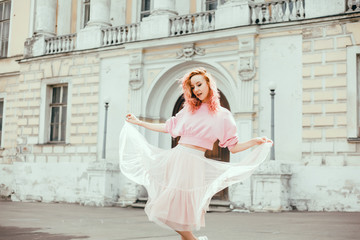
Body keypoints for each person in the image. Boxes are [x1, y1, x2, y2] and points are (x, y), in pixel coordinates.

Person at [119, 67, 272, 240]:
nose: (196, 90)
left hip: (194, 164)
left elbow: (233, 147)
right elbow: (168, 127)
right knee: (169, 211)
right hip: (177, 158)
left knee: (176, 214)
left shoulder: (223, 116)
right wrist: (139, 123)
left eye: (199, 84)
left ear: (209, 84)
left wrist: (255, 141)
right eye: (192, 87)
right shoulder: (189, 109)